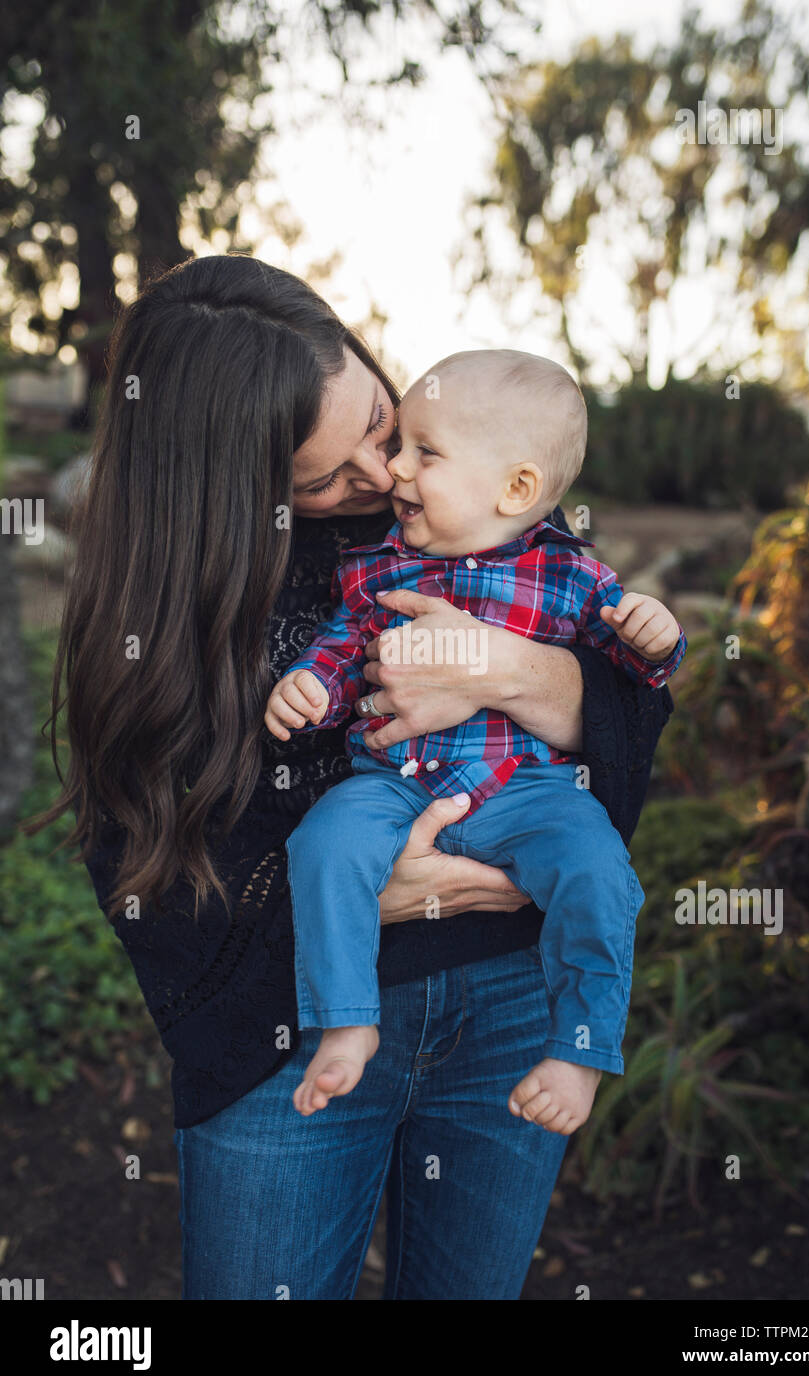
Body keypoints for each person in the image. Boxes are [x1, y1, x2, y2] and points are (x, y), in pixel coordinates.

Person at [30, 255, 677, 1300]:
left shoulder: (457, 494)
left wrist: (512, 670)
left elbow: (632, 704)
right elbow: (144, 872)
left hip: (509, 999)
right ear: (231, 487)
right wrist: (386, 893)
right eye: (326, 478)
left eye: (381, 424)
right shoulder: (166, 604)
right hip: (284, 1031)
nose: (383, 481)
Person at [267, 349, 685, 1133]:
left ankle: (581, 1048)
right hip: (393, 783)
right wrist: (312, 689)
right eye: (402, 448)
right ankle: (347, 1018)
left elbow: (628, 682)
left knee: (597, 869)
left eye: (422, 453)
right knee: (323, 844)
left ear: (515, 488)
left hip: (525, 791)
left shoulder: (572, 577)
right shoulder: (374, 568)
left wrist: (653, 638)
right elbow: (338, 649)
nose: (393, 471)